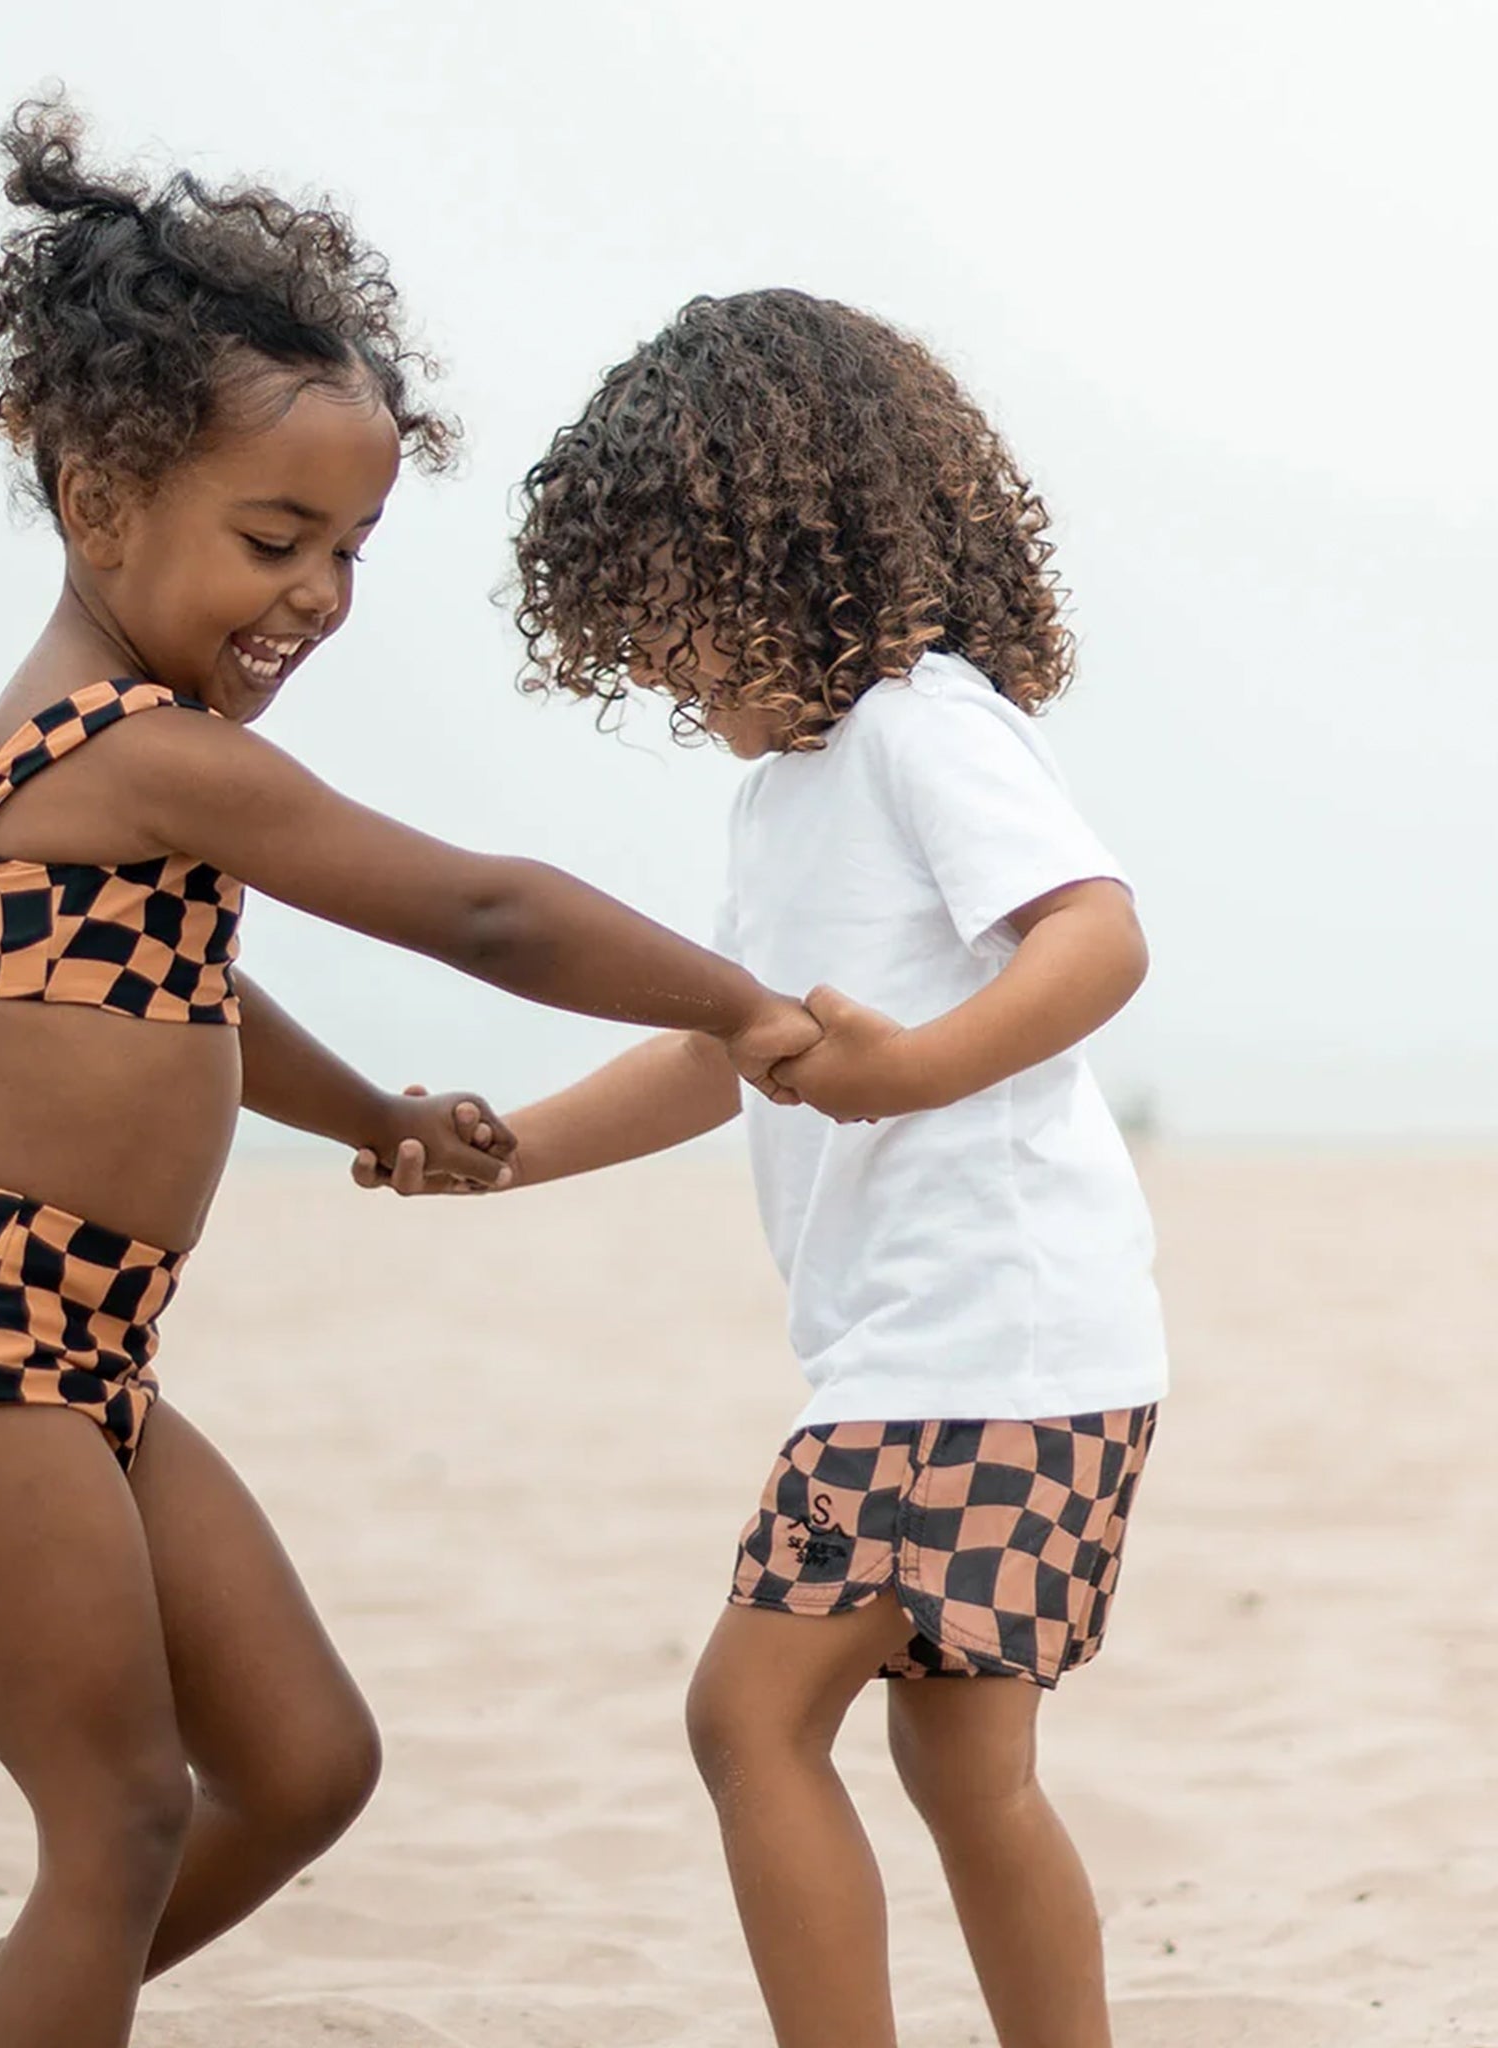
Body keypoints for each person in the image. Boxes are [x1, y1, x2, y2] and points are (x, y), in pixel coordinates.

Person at [0, 106, 823, 2048]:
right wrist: (740, 1000)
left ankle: (0, 2002)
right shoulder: (120, 745)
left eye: (347, 548)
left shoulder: (144, 784)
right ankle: (32, 1989)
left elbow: (196, 1006)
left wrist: (380, 1122)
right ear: (96, 495)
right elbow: (483, 909)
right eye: (274, 539)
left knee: (308, 1760)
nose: (317, 596)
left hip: (80, 1354)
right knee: (112, 1812)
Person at [357, 290, 1165, 2048]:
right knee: (965, 1770)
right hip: (1028, 1360)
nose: (660, 669)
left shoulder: (918, 725)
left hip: (972, 1351)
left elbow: (1097, 940)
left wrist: (910, 1071)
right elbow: (730, 1057)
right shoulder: (784, 797)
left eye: (678, 623)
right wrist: (515, 1154)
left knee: (751, 1718)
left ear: (801, 561)